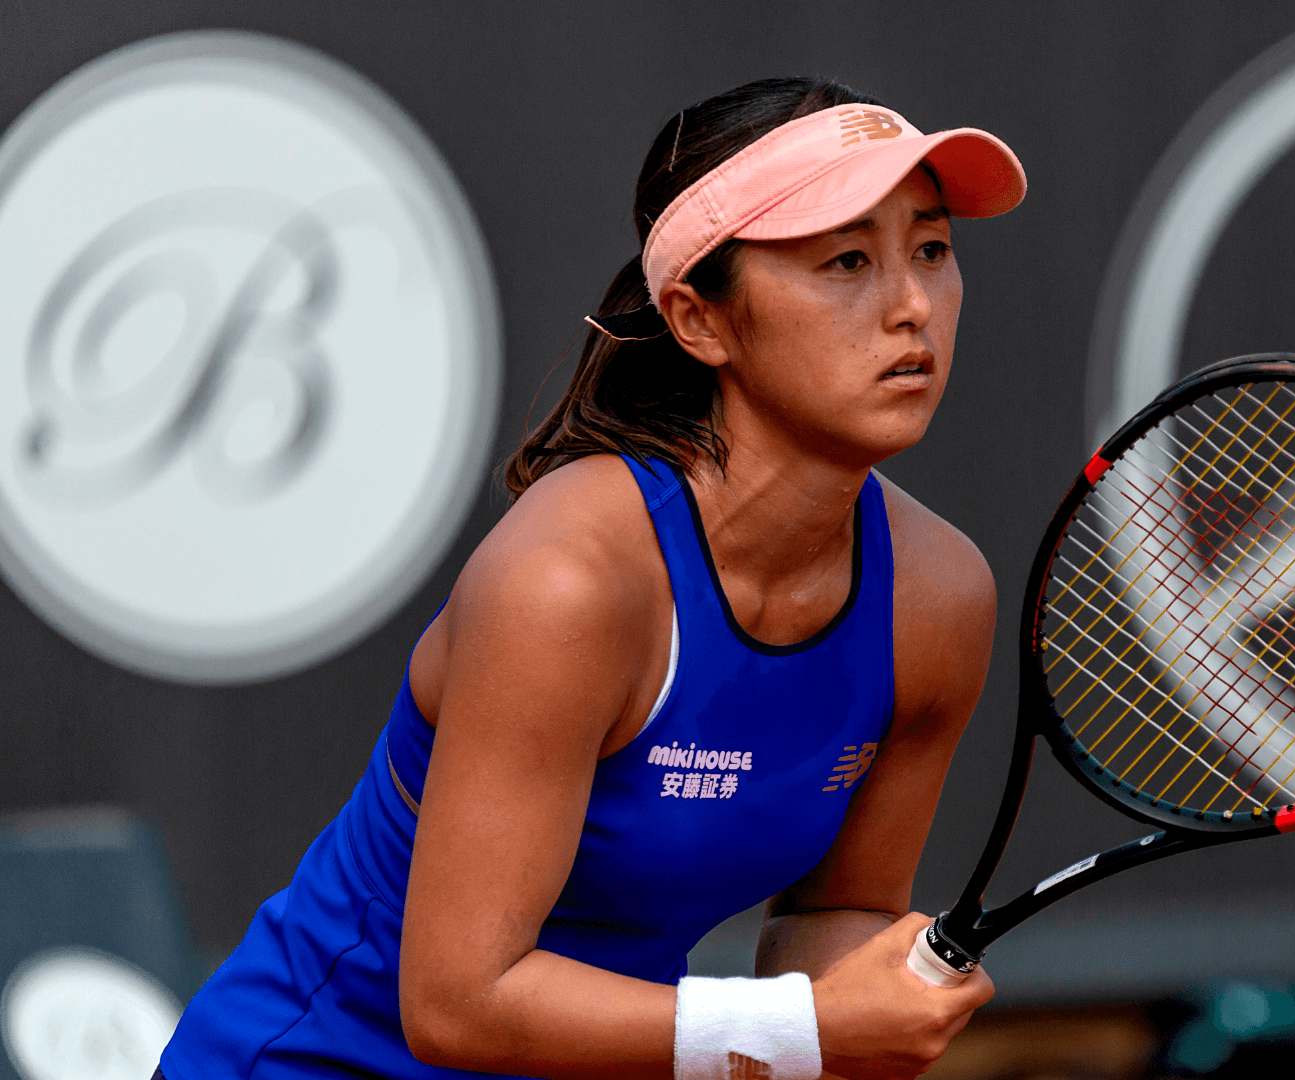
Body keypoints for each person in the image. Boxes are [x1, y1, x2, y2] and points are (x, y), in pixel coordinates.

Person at [158, 76, 1026, 1080]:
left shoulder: (935, 599)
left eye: (932, 249)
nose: (913, 305)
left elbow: (841, 916)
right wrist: (801, 1032)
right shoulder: (567, 581)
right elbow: (457, 1004)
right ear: (700, 320)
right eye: (846, 260)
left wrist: (853, 1018)